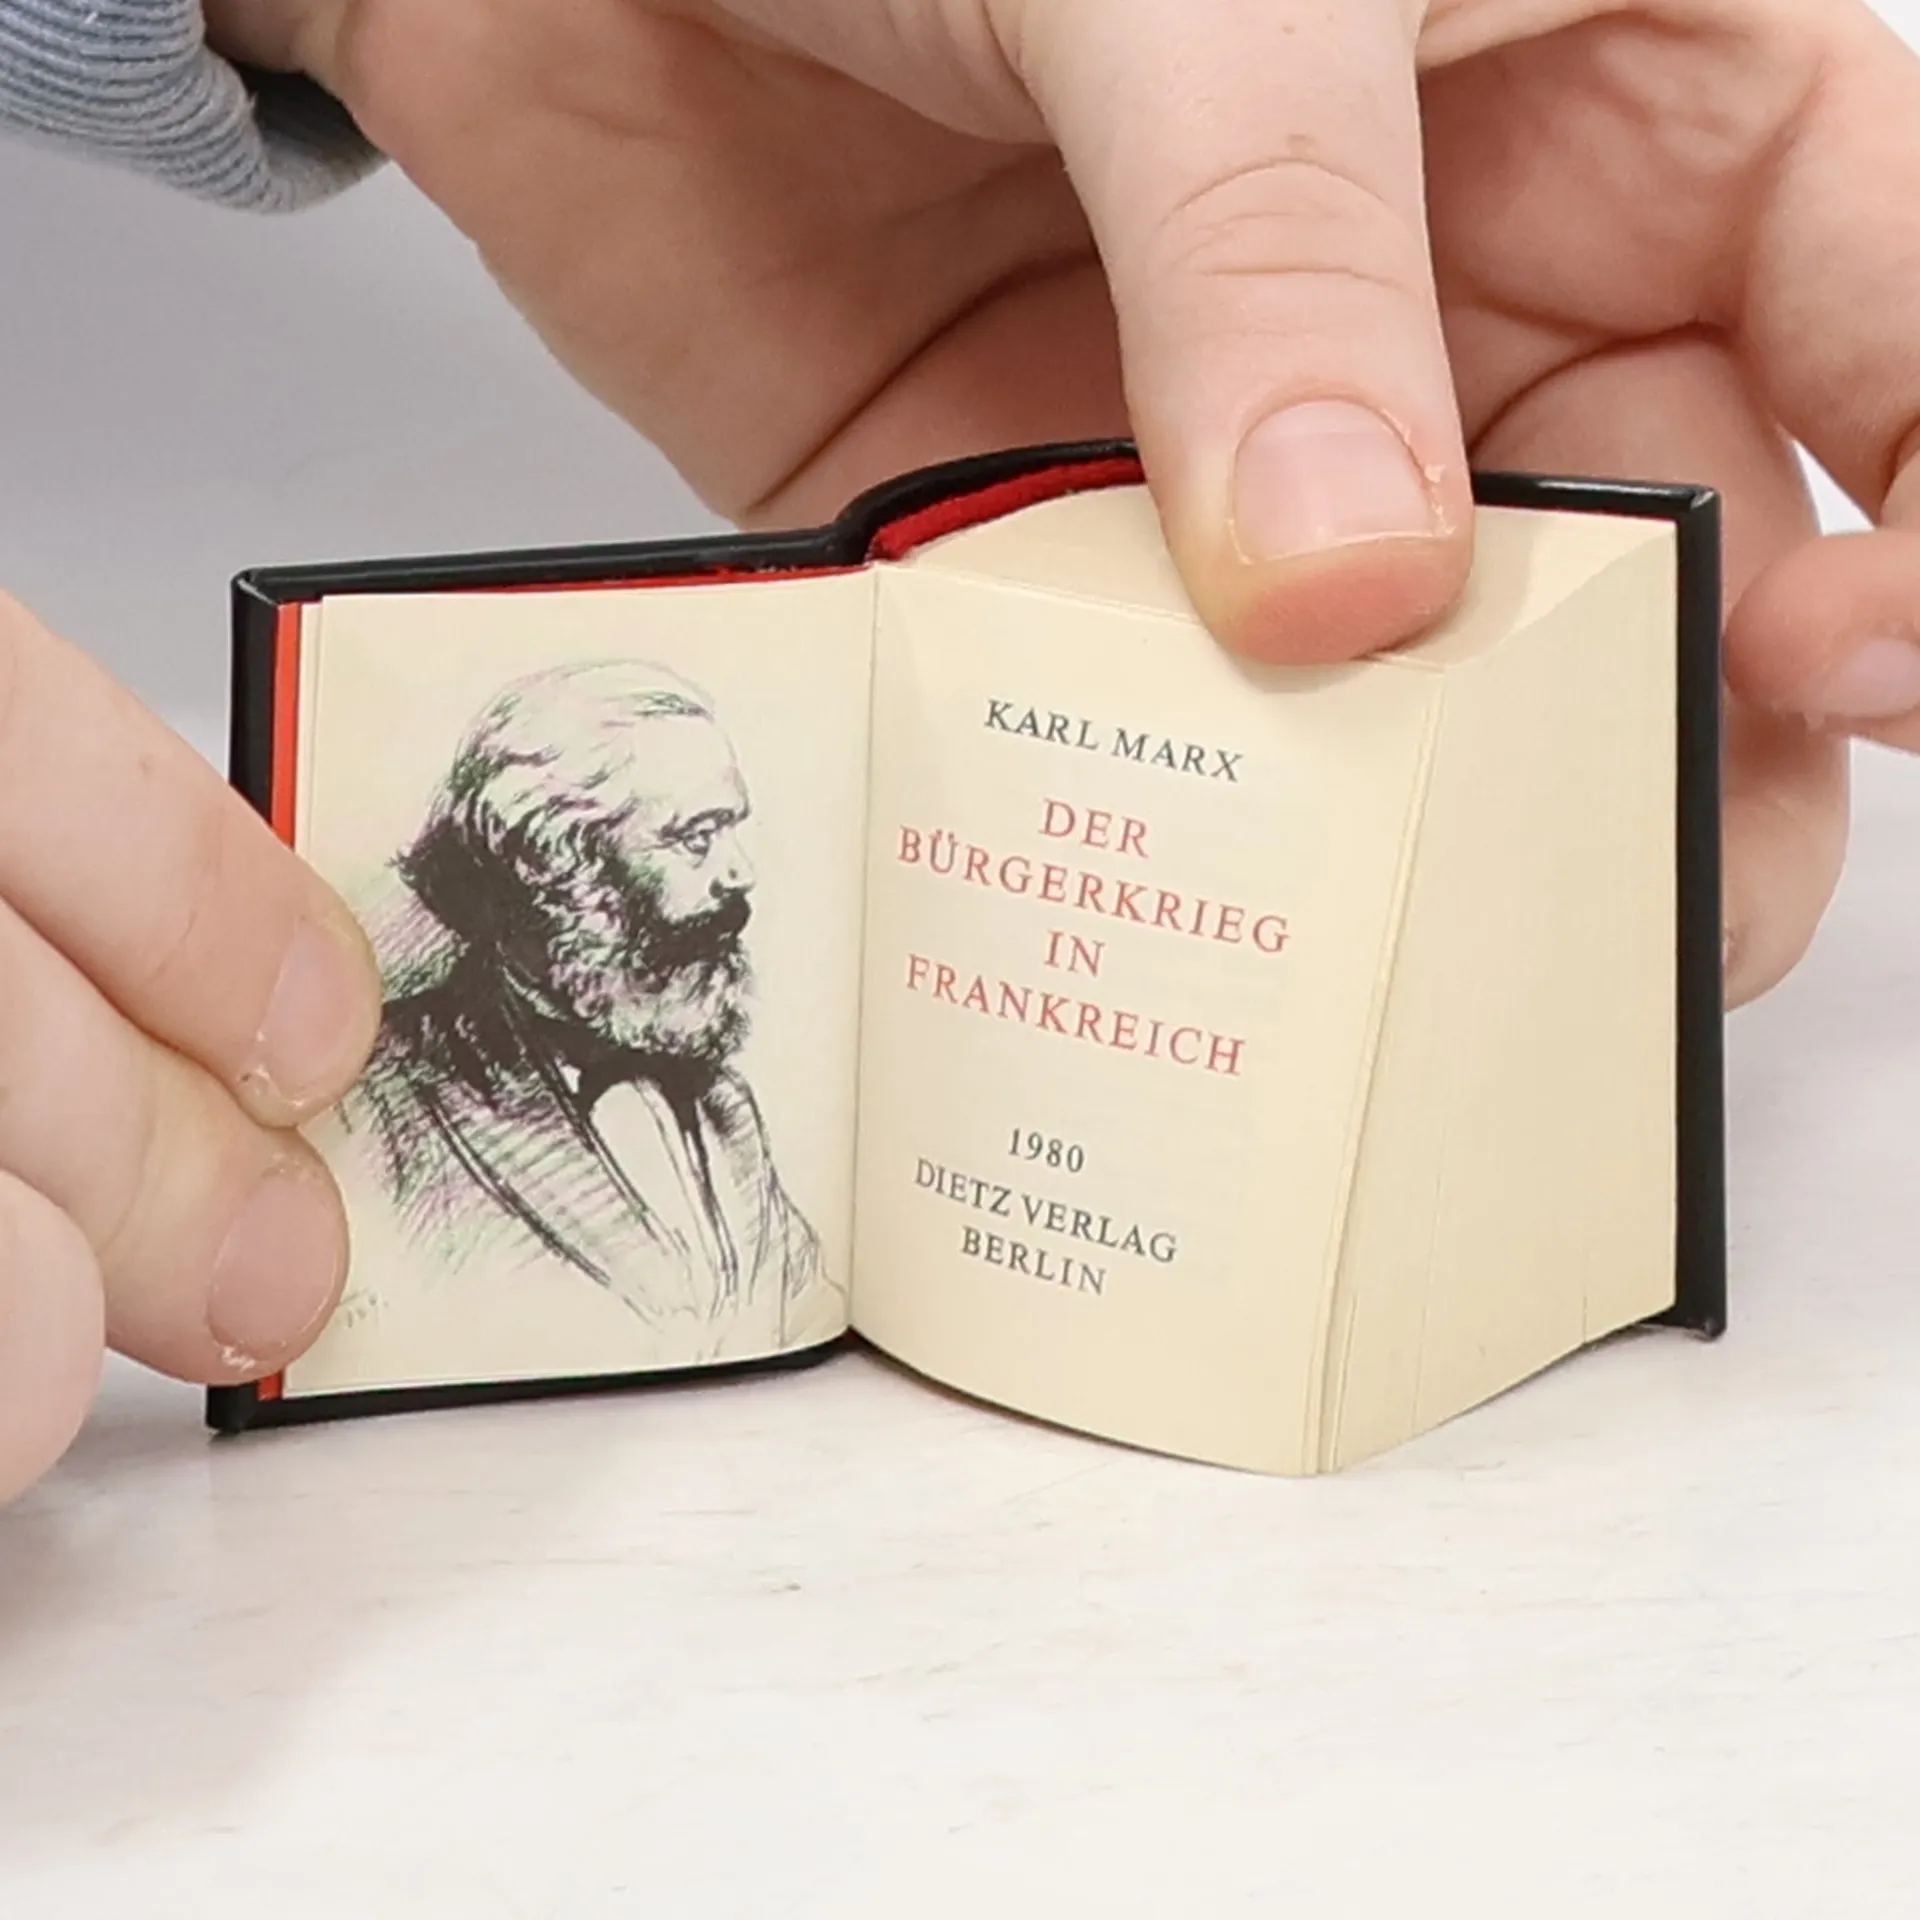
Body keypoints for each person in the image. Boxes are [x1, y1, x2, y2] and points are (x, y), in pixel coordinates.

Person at [4, 0, 1920, 1501]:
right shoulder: (440, 1108)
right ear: (535, 869)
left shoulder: (713, 1090)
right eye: (687, 844)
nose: (740, 888)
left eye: (736, 835)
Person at [345, 661, 832, 1359]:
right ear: (553, 861)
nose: (740, 873)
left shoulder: (725, 1107)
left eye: (732, 830)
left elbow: (802, 1313)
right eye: (696, 836)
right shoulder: (382, 1101)